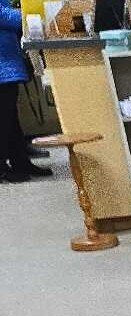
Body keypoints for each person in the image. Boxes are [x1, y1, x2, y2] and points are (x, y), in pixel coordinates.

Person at [1, 0, 51, 182]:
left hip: (6, 60)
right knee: (4, 120)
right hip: (3, 63)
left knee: (10, 119)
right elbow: (4, 16)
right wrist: (31, 14)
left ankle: (21, 162)